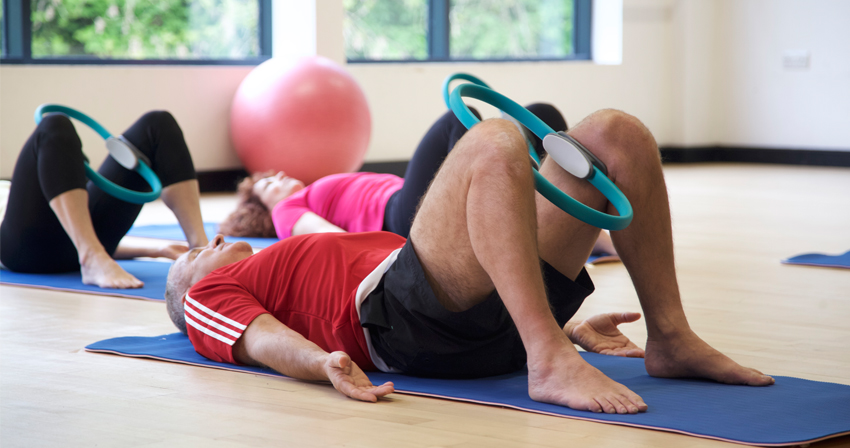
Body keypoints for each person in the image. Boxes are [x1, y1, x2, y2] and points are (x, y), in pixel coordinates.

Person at [165, 109, 774, 413]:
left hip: (470, 318)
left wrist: (570, 327)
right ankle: (547, 360)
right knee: (492, 138)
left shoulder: (277, 254)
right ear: (189, 293)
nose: (205, 246)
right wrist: (322, 364)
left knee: (616, 133)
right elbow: (262, 340)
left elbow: (466, 274)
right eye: (191, 256)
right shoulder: (206, 301)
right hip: (398, 321)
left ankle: (669, 336)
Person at [219, 104, 618, 257]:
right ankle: (519, 197)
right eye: (269, 184)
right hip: (403, 218)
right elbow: (326, 238)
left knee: (540, 113)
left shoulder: (309, 189)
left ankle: (565, 213)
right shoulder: (289, 210)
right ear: (264, 209)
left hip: (410, 202)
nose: (281, 179)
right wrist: (395, 260)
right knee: (454, 121)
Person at [0, 111, 209, 289]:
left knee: (158, 123)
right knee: (54, 125)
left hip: (84, 240)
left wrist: (156, 249)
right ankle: (91, 257)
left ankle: (202, 252)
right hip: (26, 251)